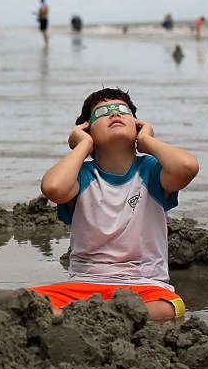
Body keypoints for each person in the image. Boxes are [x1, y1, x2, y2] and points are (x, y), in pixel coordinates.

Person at [33, 88, 199, 322]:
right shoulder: (81, 175)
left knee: (171, 306)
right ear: (86, 130)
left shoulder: (150, 170)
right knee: (26, 301)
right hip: (84, 285)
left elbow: (187, 167)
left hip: (144, 285)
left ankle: (82, 317)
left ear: (137, 125)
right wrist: (82, 146)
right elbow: (53, 188)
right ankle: (101, 316)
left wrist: (148, 141)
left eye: (123, 110)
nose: (115, 114)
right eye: (103, 112)